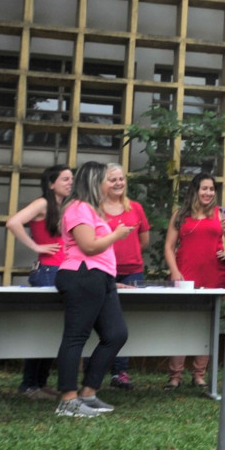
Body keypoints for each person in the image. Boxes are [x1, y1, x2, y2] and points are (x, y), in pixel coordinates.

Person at [52, 161, 133, 418]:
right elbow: (88, 246)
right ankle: (67, 399)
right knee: (76, 336)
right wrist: (117, 235)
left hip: (101, 277)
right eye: (105, 180)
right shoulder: (77, 208)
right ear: (93, 182)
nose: (109, 185)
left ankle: (88, 393)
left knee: (116, 334)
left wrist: (111, 277)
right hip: (82, 274)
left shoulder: (91, 210)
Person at [4, 164, 71, 398]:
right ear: (51, 183)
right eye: (65, 179)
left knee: (53, 330)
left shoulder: (65, 207)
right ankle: (29, 385)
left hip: (63, 271)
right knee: (43, 328)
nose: (70, 182)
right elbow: (13, 223)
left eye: (71, 178)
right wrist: (36, 246)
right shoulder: (42, 203)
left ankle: (40, 383)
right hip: (48, 272)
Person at [163, 170, 225, 387]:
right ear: (195, 190)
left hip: (214, 273)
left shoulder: (223, 213)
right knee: (180, 323)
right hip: (186, 274)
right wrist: (174, 270)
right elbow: (168, 246)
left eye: (212, 189)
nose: (209, 193)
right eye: (205, 188)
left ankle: (199, 375)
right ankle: (175, 376)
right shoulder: (180, 214)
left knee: (207, 324)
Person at [98, 163, 149, 389]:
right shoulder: (95, 209)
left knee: (125, 323)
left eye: (121, 179)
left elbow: (144, 240)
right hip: (103, 272)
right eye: (113, 179)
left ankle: (120, 372)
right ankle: (95, 370)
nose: (119, 183)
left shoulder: (135, 207)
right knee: (99, 321)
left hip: (132, 272)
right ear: (102, 183)